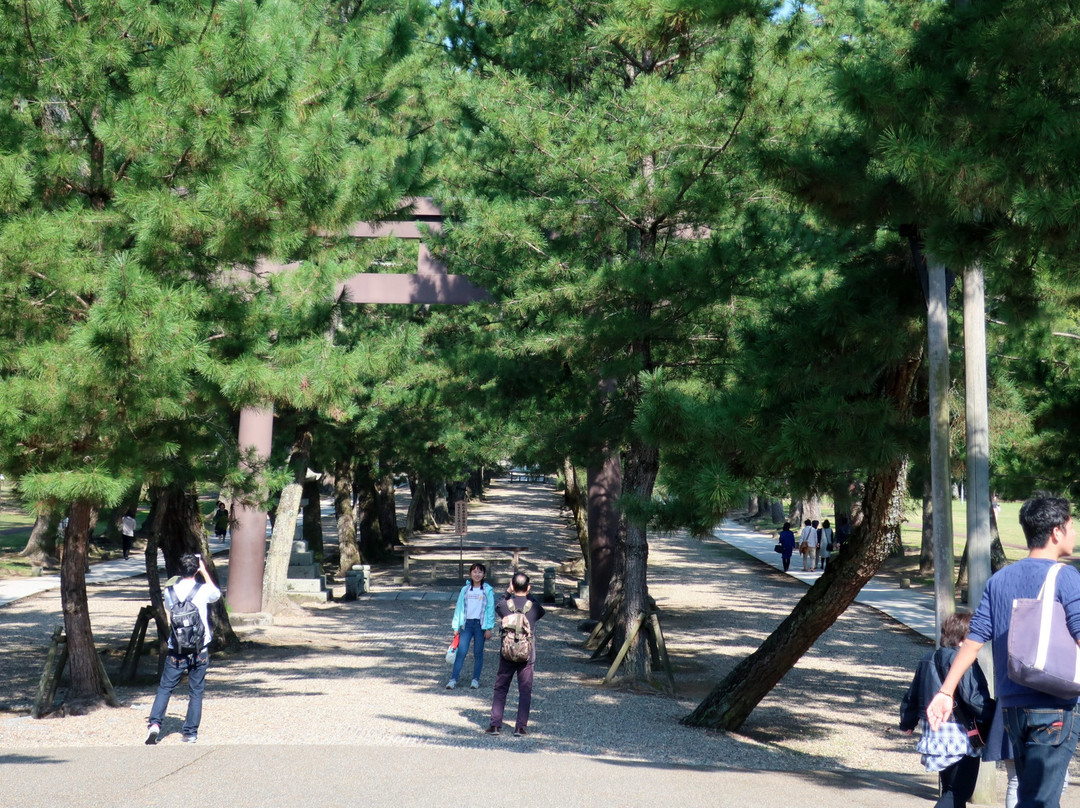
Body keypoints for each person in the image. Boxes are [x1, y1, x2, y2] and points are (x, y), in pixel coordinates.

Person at [927, 495, 1080, 808]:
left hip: (1013, 708)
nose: (1074, 532)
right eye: (1071, 525)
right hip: (1055, 707)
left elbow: (974, 640)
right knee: (1039, 801)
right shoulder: (1067, 577)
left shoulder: (999, 581)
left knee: (1031, 795)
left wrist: (946, 691)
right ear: (1056, 532)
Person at [900, 612, 992, 808]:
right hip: (959, 734)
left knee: (951, 788)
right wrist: (996, 713)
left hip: (934, 730)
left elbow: (912, 695)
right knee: (958, 792)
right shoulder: (963, 661)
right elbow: (973, 698)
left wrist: (907, 722)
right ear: (963, 640)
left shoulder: (928, 658)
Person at [145, 553, 221, 745]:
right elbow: (216, 595)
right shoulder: (203, 590)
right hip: (199, 648)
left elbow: (172, 610)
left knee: (165, 688)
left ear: (179, 569)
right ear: (196, 569)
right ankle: (190, 733)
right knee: (196, 691)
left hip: (176, 648)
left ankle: (155, 724)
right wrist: (204, 571)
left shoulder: (169, 591)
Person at [487, 572, 545, 736]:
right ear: (528, 587)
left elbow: (497, 603)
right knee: (525, 690)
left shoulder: (505, 606)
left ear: (512, 586)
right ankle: (520, 727)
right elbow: (540, 610)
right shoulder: (533, 608)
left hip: (507, 652)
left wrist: (508, 591)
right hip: (527, 654)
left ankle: (495, 725)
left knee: (501, 688)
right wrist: (529, 594)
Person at [447, 562, 496, 690]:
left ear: (484, 574)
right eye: (474, 572)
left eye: (480, 572)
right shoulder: (466, 589)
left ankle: (475, 679)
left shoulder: (487, 590)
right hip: (466, 624)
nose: (477, 574)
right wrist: (455, 626)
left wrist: (489, 627)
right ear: (470, 573)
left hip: (480, 625)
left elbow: (490, 609)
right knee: (461, 652)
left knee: (478, 652)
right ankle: (453, 679)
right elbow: (459, 607)